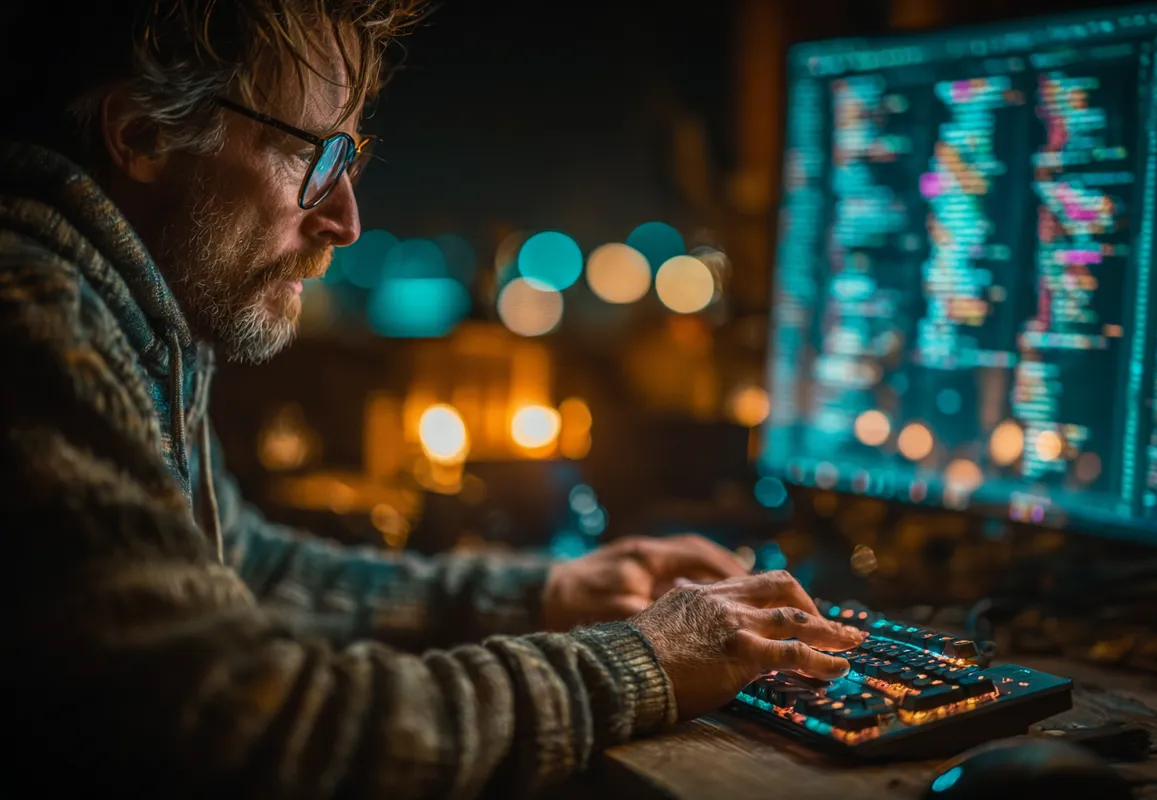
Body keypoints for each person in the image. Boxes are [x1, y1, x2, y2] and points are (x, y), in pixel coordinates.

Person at [0, 1, 865, 796]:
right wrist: (642, 660)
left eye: (351, 158)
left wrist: (547, 594)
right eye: (313, 154)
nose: (346, 217)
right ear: (146, 135)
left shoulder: (138, 313)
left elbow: (247, 571)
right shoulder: (38, 320)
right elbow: (255, 724)